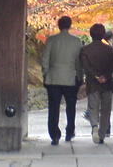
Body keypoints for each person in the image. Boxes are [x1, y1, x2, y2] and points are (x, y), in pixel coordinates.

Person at [41, 15, 83, 145]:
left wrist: (46, 73)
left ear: (59, 26)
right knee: (71, 107)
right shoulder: (76, 41)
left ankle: (54, 134)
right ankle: (69, 132)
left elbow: (45, 60)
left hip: (54, 77)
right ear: (69, 26)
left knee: (53, 107)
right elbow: (79, 63)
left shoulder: (51, 40)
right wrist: (80, 77)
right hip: (70, 77)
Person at [80, 23, 113, 144]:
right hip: (107, 83)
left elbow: (85, 66)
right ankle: (102, 134)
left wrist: (95, 76)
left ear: (91, 34)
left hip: (92, 82)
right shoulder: (109, 49)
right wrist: (105, 76)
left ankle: (94, 126)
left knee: (93, 106)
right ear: (102, 34)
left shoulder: (85, 49)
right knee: (106, 108)